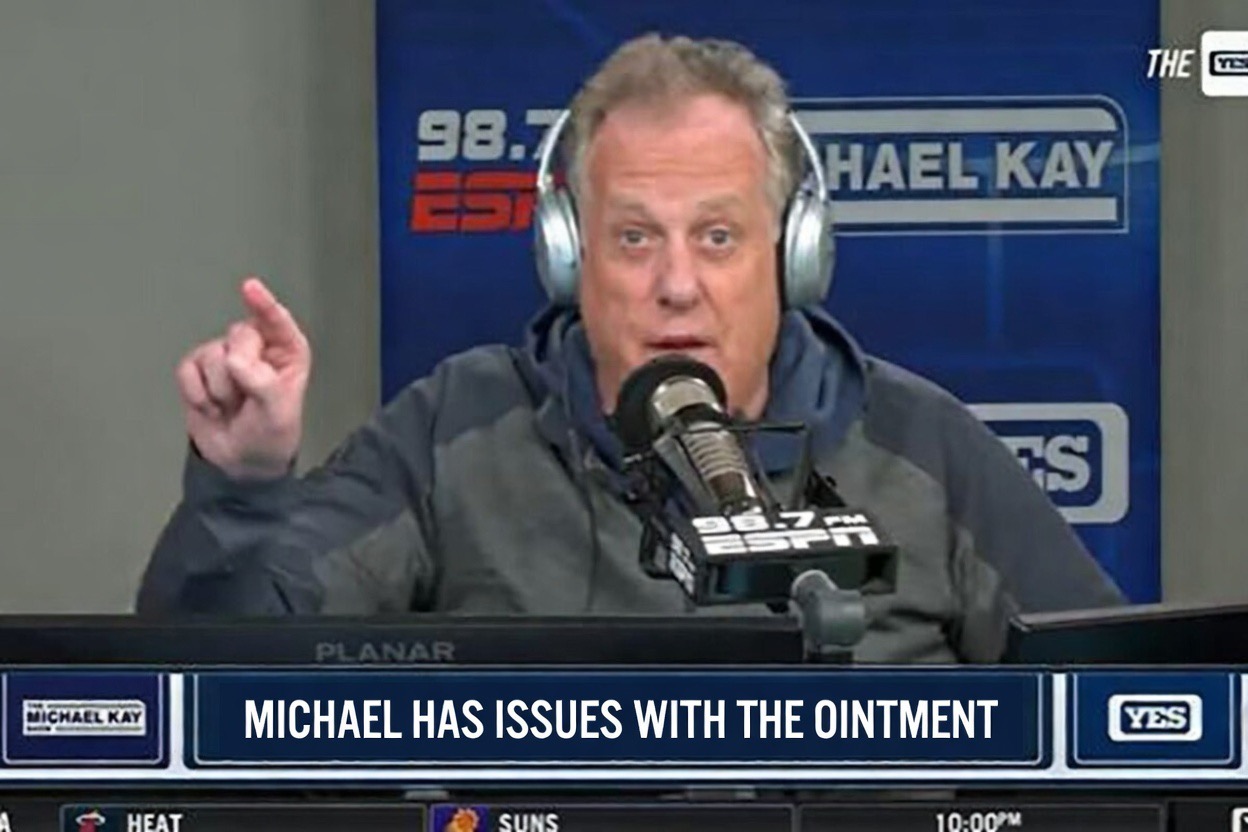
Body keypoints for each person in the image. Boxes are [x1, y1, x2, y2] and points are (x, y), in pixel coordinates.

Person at [137, 34, 1124, 662]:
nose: (676, 284)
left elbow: (1126, 713)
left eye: (719, 236)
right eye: (635, 237)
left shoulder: (923, 445)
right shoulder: (452, 432)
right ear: (568, 257)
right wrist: (242, 489)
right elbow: (218, 691)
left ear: (794, 255)